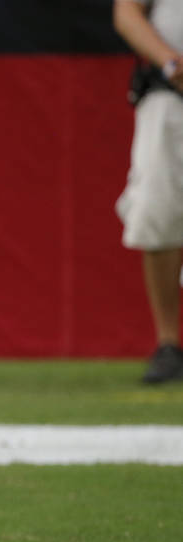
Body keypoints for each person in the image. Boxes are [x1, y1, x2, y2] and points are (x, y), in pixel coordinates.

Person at [114, 0, 183, 383]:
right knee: (159, 212)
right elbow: (127, 12)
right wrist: (170, 61)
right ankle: (169, 343)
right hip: (171, 93)